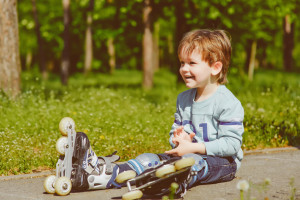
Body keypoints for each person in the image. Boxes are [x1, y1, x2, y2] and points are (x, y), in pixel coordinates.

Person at [68, 29, 244, 196]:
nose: (184, 69)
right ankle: (99, 175)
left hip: (222, 163)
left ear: (215, 68)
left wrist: (194, 148)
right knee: (149, 159)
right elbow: (175, 131)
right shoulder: (184, 99)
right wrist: (177, 138)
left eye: (192, 63)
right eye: (182, 63)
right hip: (184, 156)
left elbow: (232, 144)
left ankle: (171, 182)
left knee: (192, 161)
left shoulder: (227, 103)